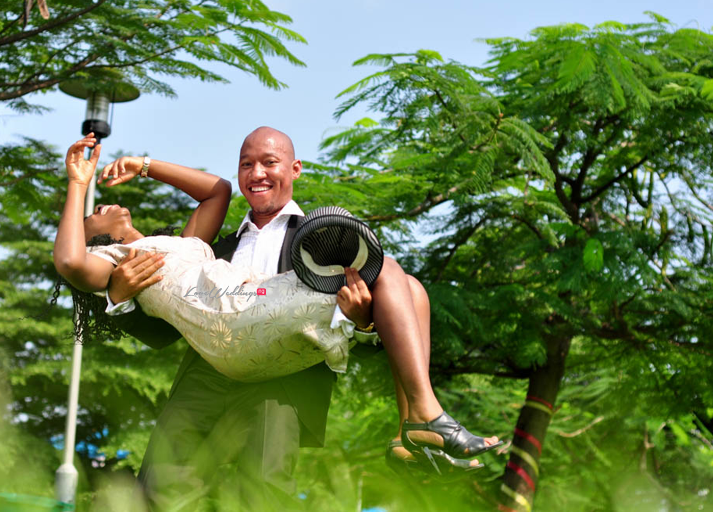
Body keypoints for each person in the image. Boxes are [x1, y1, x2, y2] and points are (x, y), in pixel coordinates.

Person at [59, 128, 502, 509]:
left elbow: (215, 191)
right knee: (156, 490)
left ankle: (415, 425)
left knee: (265, 495)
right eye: (246, 164)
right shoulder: (209, 249)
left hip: (284, 377)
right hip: (207, 374)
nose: (256, 173)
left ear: (295, 169)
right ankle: (419, 422)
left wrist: (362, 321)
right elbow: (163, 328)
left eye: (268, 162)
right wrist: (117, 295)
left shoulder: (320, 243)